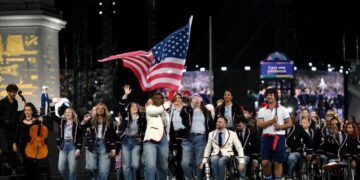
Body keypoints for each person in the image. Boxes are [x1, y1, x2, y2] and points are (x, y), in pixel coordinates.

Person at [256, 88, 292, 180]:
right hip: (266, 138)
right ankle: (268, 178)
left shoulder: (283, 109)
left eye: (271, 94)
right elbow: (259, 124)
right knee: (264, 163)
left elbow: (290, 123)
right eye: (267, 95)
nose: (269, 96)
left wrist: (280, 127)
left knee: (278, 163)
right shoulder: (262, 110)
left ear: (275, 96)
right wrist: (272, 121)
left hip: (279, 138)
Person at [179, 93, 215, 180]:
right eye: (194, 98)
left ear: (202, 100)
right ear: (192, 100)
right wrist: (191, 106)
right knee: (185, 163)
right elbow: (182, 114)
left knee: (199, 162)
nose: (197, 100)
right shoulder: (186, 110)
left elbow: (212, 125)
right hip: (188, 140)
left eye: (198, 98)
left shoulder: (207, 111)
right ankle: (190, 178)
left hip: (201, 139)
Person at [116, 85, 146, 180]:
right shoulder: (126, 116)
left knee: (136, 165)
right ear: (129, 109)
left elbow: (144, 129)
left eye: (136, 106)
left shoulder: (142, 118)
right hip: (125, 141)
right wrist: (125, 94)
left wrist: (141, 137)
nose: (134, 107)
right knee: (126, 167)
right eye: (132, 106)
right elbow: (120, 106)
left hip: (136, 142)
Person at [81, 103, 116, 180]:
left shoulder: (109, 120)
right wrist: (84, 121)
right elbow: (81, 129)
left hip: (105, 145)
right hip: (93, 145)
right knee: (91, 167)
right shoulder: (91, 120)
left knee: (103, 170)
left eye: (102, 108)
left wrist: (113, 148)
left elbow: (112, 135)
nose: (100, 110)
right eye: (98, 108)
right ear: (96, 110)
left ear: (104, 110)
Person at [143, 93, 171, 180]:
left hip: (164, 140)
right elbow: (157, 111)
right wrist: (169, 102)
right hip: (150, 140)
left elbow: (168, 127)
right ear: (152, 100)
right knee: (151, 166)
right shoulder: (150, 108)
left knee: (163, 167)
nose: (158, 100)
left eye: (160, 98)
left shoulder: (166, 113)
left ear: (163, 100)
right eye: (156, 98)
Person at [13, 102, 45, 178]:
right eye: (25, 110)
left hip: (35, 146)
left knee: (34, 167)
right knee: (26, 167)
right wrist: (14, 143)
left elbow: (42, 133)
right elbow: (16, 134)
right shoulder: (21, 121)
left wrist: (41, 123)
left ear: (32, 111)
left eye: (29, 110)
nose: (27, 112)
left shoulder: (36, 121)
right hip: (24, 146)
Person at [54, 108, 82, 180]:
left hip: (73, 146)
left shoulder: (77, 123)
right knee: (61, 168)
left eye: (69, 112)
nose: (67, 113)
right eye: (65, 112)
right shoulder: (62, 121)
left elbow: (79, 136)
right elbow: (53, 116)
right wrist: (50, 107)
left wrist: (78, 149)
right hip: (63, 146)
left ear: (72, 114)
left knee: (72, 170)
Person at [0, 84, 19, 174]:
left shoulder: (15, 102)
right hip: (5, 127)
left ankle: (12, 164)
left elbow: (15, 114)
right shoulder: (2, 102)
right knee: (7, 146)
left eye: (15, 93)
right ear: (7, 92)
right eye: (12, 92)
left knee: (13, 145)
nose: (14, 94)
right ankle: (9, 163)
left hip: (14, 126)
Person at [168, 93, 185, 179]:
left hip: (183, 136)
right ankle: (174, 174)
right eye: (176, 98)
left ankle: (179, 176)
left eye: (179, 97)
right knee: (171, 158)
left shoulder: (185, 109)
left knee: (181, 159)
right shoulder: (170, 111)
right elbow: (169, 125)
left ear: (182, 99)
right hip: (173, 136)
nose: (177, 99)